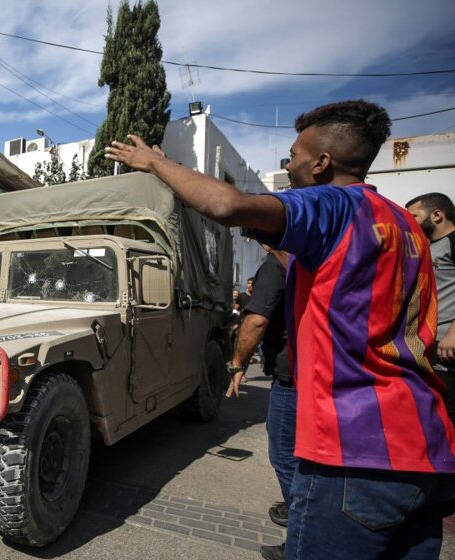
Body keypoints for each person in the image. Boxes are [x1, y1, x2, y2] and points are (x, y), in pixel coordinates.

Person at [106, 99, 455, 559]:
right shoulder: (405, 227)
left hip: (353, 448)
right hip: (426, 445)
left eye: (293, 155)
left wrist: (155, 163)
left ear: (321, 163)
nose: (288, 165)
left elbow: (226, 204)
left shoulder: (332, 204)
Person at [224, 247, 293, 560]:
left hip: (292, 375)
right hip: (312, 369)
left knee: (286, 456)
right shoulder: (308, 259)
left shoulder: (275, 264)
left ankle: (302, 538)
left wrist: (237, 365)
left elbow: (256, 320)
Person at [406, 192, 455, 424]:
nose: (409, 221)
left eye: (414, 216)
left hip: (447, 344)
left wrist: (453, 333)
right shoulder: (427, 247)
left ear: (437, 215)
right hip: (428, 342)